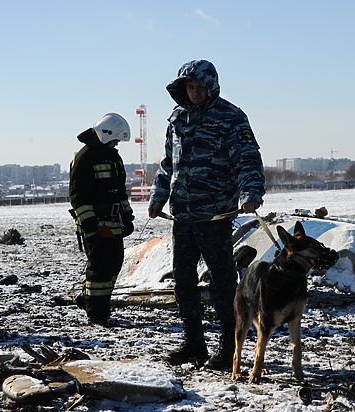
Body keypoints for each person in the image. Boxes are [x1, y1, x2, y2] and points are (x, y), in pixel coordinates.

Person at [148, 59, 265, 369]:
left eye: (200, 87)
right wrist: (158, 196)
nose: (195, 93)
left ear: (211, 87)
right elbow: (167, 164)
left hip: (214, 214)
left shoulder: (230, 117)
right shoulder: (177, 118)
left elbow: (248, 160)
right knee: (184, 281)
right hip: (183, 215)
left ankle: (230, 346)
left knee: (223, 283)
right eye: (190, 87)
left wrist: (249, 193)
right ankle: (194, 344)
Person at [69, 113, 135, 325]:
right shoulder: (85, 157)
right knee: (100, 267)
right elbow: (78, 196)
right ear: (106, 135)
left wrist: (126, 215)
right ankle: (97, 313)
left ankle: (90, 300)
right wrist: (89, 223)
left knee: (114, 263)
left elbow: (119, 192)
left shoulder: (112, 157)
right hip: (96, 223)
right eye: (116, 140)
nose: (117, 144)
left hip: (113, 221)